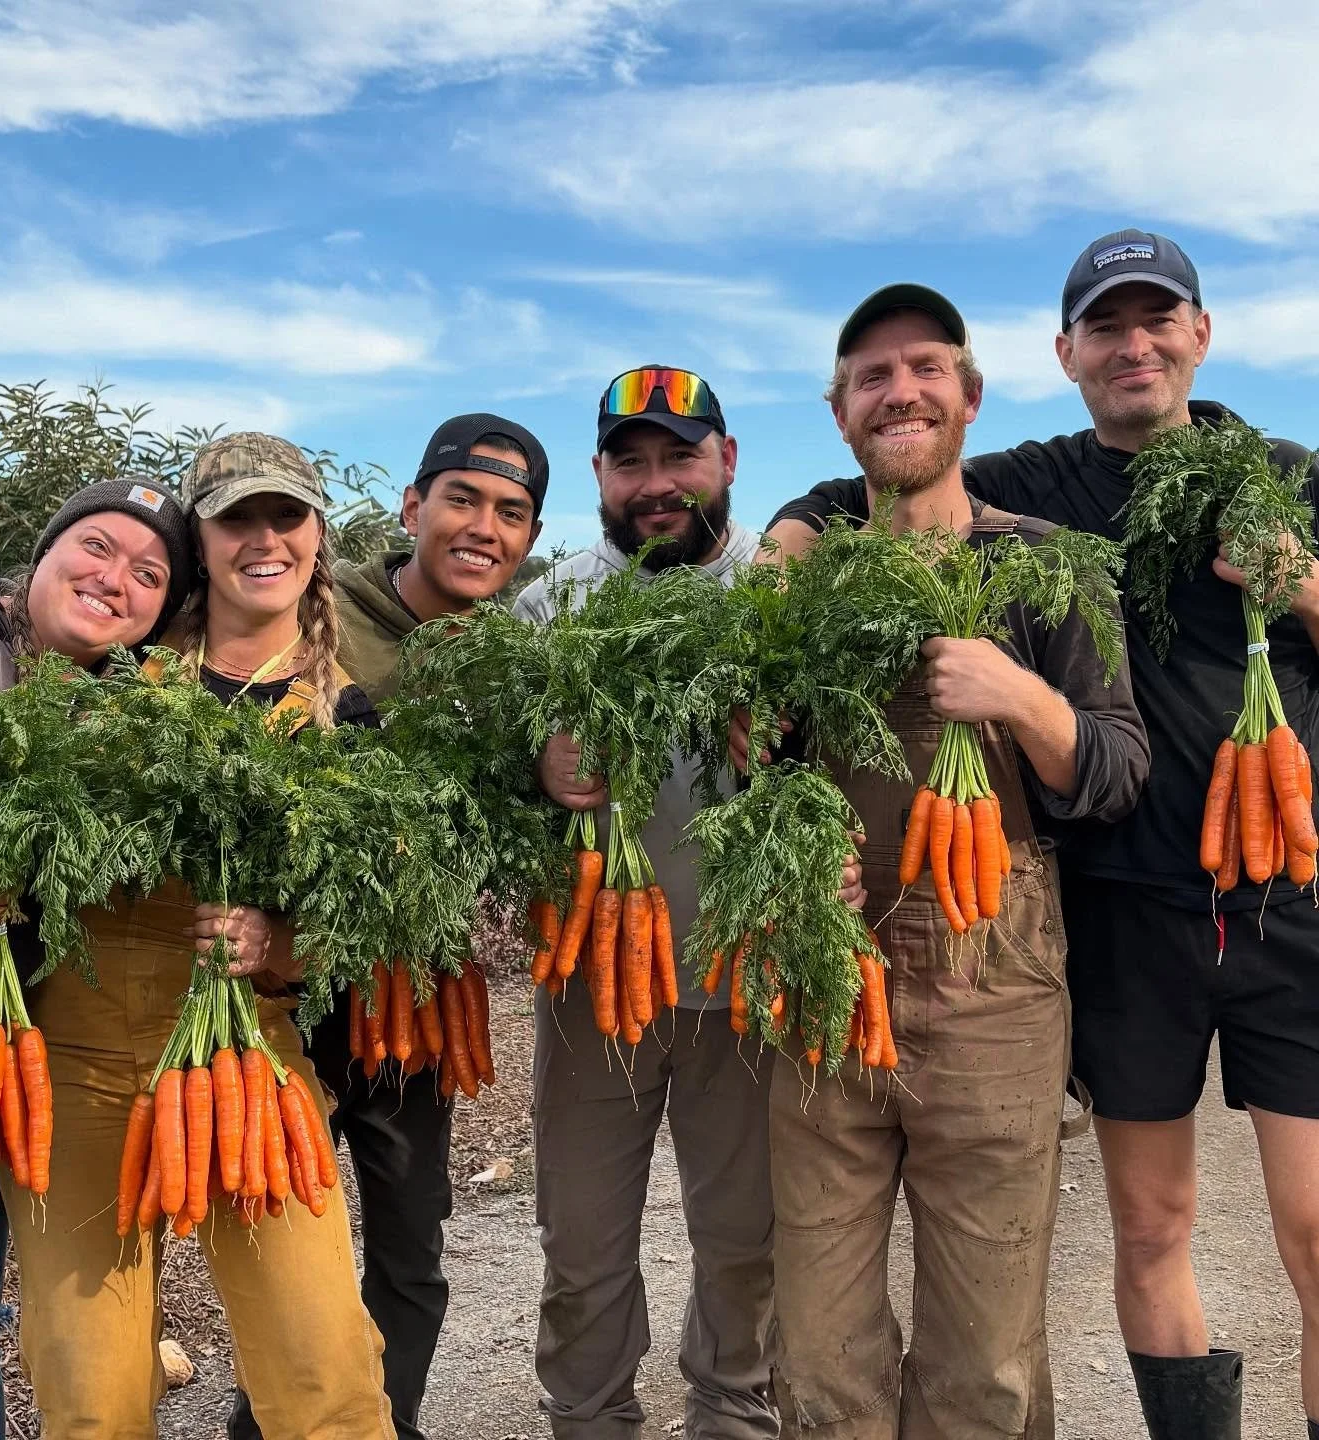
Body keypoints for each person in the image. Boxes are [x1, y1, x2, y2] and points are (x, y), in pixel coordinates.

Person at [0, 420, 550, 1440]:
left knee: (326, 1380)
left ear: (317, 536)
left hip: (252, 1068)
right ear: (205, 541)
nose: (264, 538)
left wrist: (283, 948)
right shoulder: (120, 675)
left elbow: (371, 916)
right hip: (74, 1066)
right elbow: (22, 622)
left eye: (287, 515)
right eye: (238, 519)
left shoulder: (343, 717)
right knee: (92, 1401)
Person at [767, 234, 1319, 1439]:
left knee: (1312, 1230)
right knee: (1139, 1230)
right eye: (1104, 329)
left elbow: (1104, 759)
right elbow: (865, 489)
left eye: (1156, 320)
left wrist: (1304, 584)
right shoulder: (1013, 494)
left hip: (1272, 897)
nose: (1133, 346)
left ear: (1200, 333)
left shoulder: (1272, 479)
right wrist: (790, 536)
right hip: (1106, 918)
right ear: (1061, 355)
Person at [738, 285, 1148, 1438]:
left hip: (996, 981)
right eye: (871, 376)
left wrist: (1020, 696)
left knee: (989, 1353)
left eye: (925, 367)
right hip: (828, 975)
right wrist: (795, 858)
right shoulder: (798, 579)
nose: (900, 390)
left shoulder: (1053, 565)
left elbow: (1118, 769)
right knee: (820, 1350)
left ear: (969, 395)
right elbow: (758, 766)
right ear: (839, 415)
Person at [515, 367, 860, 1439]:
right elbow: (479, 794)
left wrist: (830, 833)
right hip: (592, 979)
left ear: (729, 461)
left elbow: (863, 757)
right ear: (600, 475)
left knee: (747, 1238)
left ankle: (732, 1412)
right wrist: (539, 766)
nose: (657, 483)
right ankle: (589, 1417)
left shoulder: (787, 586)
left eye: (680, 455)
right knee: (581, 1238)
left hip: (747, 977)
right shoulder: (548, 604)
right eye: (632, 461)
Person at [227, 413, 548, 1440]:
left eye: (511, 513)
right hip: (291, 996)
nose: (482, 528)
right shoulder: (321, 618)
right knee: (290, 1258)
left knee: (411, 1252)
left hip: (419, 1007)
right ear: (414, 509)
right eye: (463, 500)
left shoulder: (512, 658)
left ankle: (387, 1425)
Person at [0, 478, 192, 1439]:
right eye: (96, 546)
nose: (115, 579)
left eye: (149, 574)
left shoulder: (122, 719)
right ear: (46, 549)